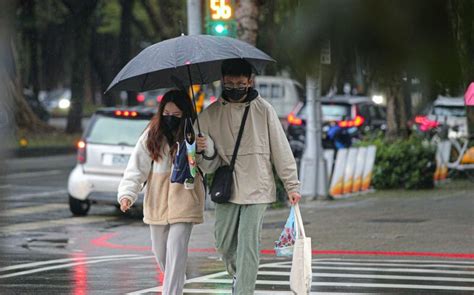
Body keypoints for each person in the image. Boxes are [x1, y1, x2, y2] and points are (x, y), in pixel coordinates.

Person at [196, 59, 301, 294]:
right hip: (228, 189)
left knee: (248, 245)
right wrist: (206, 148)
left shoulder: (264, 110)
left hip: (258, 187)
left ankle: (244, 289)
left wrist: (291, 185)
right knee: (223, 245)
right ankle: (239, 277)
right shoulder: (209, 115)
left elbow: (281, 149)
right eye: (230, 83)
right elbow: (207, 165)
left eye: (240, 83)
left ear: (250, 82)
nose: (235, 87)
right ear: (222, 81)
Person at [117, 89, 205, 295]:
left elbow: (209, 164)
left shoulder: (195, 133)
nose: (171, 119)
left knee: (176, 248)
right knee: (160, 252)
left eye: (176, 115)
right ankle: (176, 278)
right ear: (160, 112)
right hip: (157, 202)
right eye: (167, 114)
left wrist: (202, 149)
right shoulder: (151, 135)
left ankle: (172, 290)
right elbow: (136, 168)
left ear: (185, 114)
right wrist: (127, 194)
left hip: (186, 198)